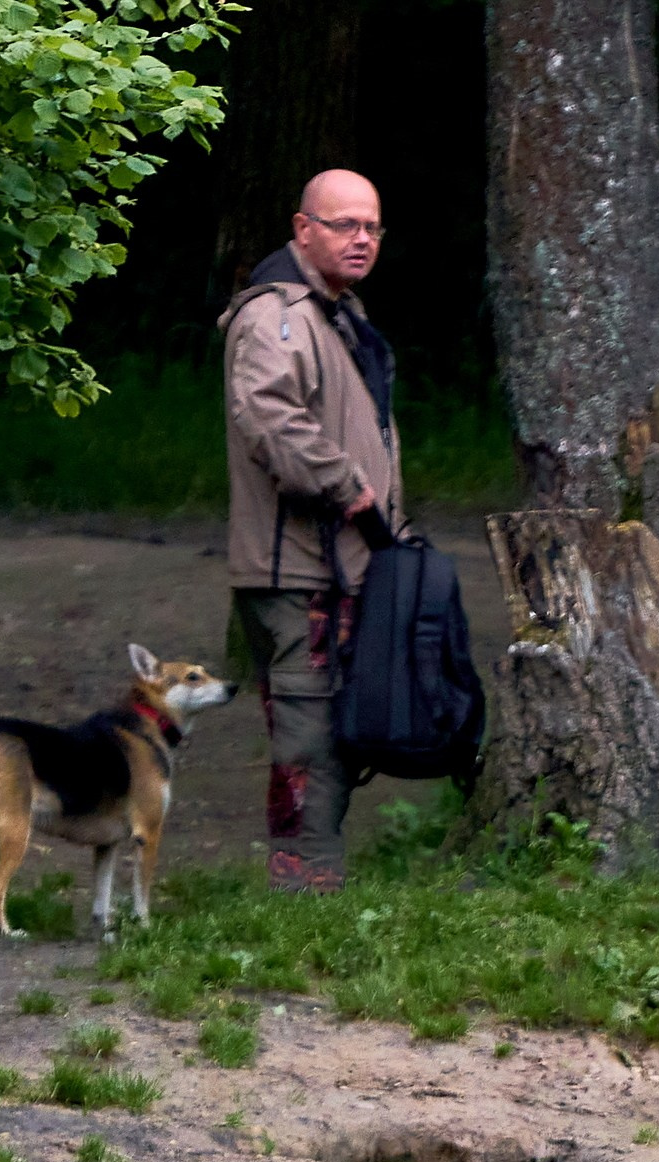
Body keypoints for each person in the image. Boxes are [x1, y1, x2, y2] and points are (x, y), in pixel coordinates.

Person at [218, 168, 403, 894]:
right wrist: (348, 487)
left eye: (372, 228)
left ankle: (313, 877)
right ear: (303, 230)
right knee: (307, 733)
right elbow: (270, 418)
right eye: (343, 225)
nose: (361, 240)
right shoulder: (279, 316)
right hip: (292, 570)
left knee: (334, 726)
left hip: (337, 566)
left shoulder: (334, 312)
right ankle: (302, 886)